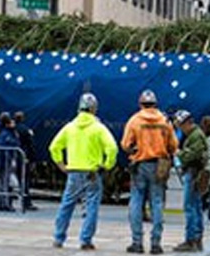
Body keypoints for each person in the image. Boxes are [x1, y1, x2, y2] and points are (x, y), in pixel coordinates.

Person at [50, 93, 118, 251]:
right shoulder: (99, 128)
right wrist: (107, 164)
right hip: (92, 172)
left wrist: (61, 164)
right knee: (91, 206)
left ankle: (58, 238)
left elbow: (54, 147)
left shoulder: (69, 127)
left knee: (66, 204)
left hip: (73, 172)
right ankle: (85, 240)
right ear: (94, 109)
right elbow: (112, 148)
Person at [121, 89, 178, 254]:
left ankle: (137, 243)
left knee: (136, 202)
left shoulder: (135, 120)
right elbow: (174, 145)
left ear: (140, 104)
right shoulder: (164, 121)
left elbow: (125, 144)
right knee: (157, 202)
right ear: (155, 104)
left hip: (139, 165)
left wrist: (134, 149)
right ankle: (156, 244)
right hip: (159, 166)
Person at [172, 111, 206, 253]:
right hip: (195, 173)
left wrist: (179, 153)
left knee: (190, 207)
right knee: (196, 206)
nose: (180, 129)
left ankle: (191, 239)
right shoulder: (194, 134)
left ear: (187, 123)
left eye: (180, 126)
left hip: (193, 173)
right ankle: (197, 239)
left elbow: (193, 155)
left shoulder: (195, 136)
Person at [0, 112, 21, 212]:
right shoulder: (5, 134)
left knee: (8, 183)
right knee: (5, 183)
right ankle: (4, 203)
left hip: (8, 161)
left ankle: (6, 203)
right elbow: (4, 147)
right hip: (5, 161)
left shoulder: (11, 133)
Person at [14, 111, 39, 211]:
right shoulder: (25, 130)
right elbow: (30, 144)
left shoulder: (12, 129)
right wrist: (33, 159)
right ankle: (26, 202)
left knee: (18, 179)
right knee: (25, 180)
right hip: (24, 156)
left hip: (13, 156)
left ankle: (8, 201)